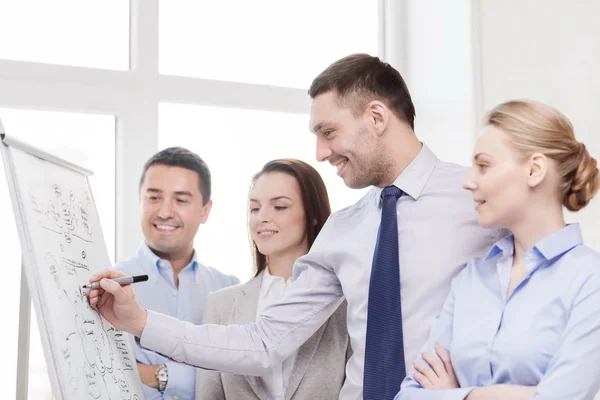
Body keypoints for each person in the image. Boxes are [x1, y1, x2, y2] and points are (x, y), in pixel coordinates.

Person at [88, 53, 504, 400]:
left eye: (328, 132)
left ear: (376, 116)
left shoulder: (479, 197)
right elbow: (262, 342)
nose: (321, 153)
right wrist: (140, 321)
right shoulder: (343, 230)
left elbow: (544, 302)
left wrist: (472, 390)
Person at [397, 100, 600, 399]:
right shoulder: (472, 279)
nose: (468, 182)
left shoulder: (590, 280)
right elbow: (408, 395)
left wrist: (455, 394)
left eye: (483, 165)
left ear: (534, 170)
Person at [195, 159, 349, 399]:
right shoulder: (221, 306)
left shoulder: (345, 303)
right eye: (255, 208)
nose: (262, 217)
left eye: (279, 207)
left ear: (313, 215)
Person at [116, 147, 239, 400]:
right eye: (153, 198)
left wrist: (155, 374)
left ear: (205, 210)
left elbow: (238, 381)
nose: (164, 212)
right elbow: (104, 375)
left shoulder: (230, 290)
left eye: (180, 200)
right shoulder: (110, 286)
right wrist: (203, 376)